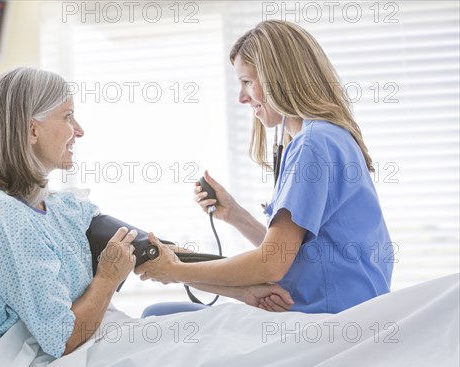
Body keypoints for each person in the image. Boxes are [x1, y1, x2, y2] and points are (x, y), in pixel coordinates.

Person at [0, 67, 294, 367]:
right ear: (33, 130)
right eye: (68, 116)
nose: (79, 130)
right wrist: (106, 278)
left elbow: (151, 251)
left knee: (230, 328)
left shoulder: (61, 208)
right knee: (226, 349)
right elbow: (62, 340)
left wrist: (245, 292)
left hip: (107, 341)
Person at [136, 20, 394, 314]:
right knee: (162, 314)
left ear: (278, 78)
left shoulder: (313, 144)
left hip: (326, 318)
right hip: (338, 309)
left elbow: (272, 263)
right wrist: (235, 215)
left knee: (156, 315)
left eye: (247, 82)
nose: (242, 97)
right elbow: (295, 254)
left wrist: (177, 271)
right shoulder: (329, 137)